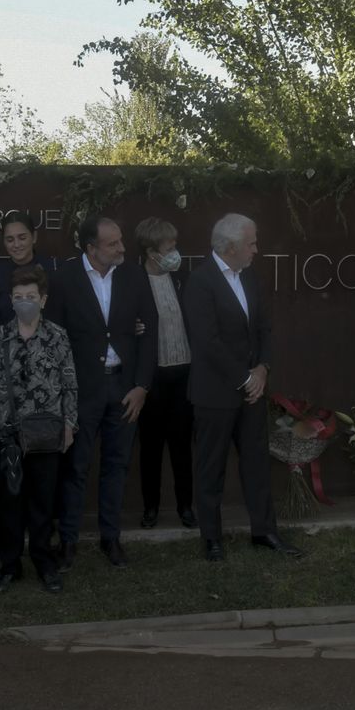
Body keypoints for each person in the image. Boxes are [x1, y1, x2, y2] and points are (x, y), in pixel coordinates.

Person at [185, 213, 301, 560]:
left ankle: (264, 532)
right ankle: (212, 538)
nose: (256, 249)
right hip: (215, 393)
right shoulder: (200, 281)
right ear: (231, 246)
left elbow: (264, 327)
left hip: (252, 391)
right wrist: (245, 377)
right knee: (211, 468)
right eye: (251, 243)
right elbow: (207, 342)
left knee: (256, 464)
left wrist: (263, 369)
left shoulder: (248, 276)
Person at [46, 215, 158, 569]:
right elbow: (54, 339)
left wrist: (141, 385)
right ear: (91, 248)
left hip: (124, 388)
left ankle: (112, 539)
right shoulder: (64, 279)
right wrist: (65, 393)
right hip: (81, 390)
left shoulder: (134, 275)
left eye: (121, 240)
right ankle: (67, 541)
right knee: (75, 467)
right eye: (113, 244)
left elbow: (150, 332)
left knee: (117, 466)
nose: (122, 248)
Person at [0, 264, 78, 594]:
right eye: (19, 297)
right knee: (9, 506)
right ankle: (9, 565)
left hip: (46, 436)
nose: (25, 302)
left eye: (31, 296)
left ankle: (44, 562)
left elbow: (70, 385)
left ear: (42, 300)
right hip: (8, 436)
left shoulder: (57, 336)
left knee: (43, 504)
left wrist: (70, 424)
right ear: (11, 300)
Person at [135, 216, 197, 529]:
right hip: (152, 377)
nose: (175, 251)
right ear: (151, 251)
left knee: (182, 444)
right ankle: (151, 508)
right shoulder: (133, 281)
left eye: (175, 244)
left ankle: (186, 506)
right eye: (169, 246)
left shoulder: (181, 278)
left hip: (183, 373)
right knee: (151, 446)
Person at [0, 211, 63, 331]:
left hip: (51, 346)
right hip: (5, 346)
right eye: (10, 240)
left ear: (34, 237)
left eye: (22, 238)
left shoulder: (53, 270)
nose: (16, 244)